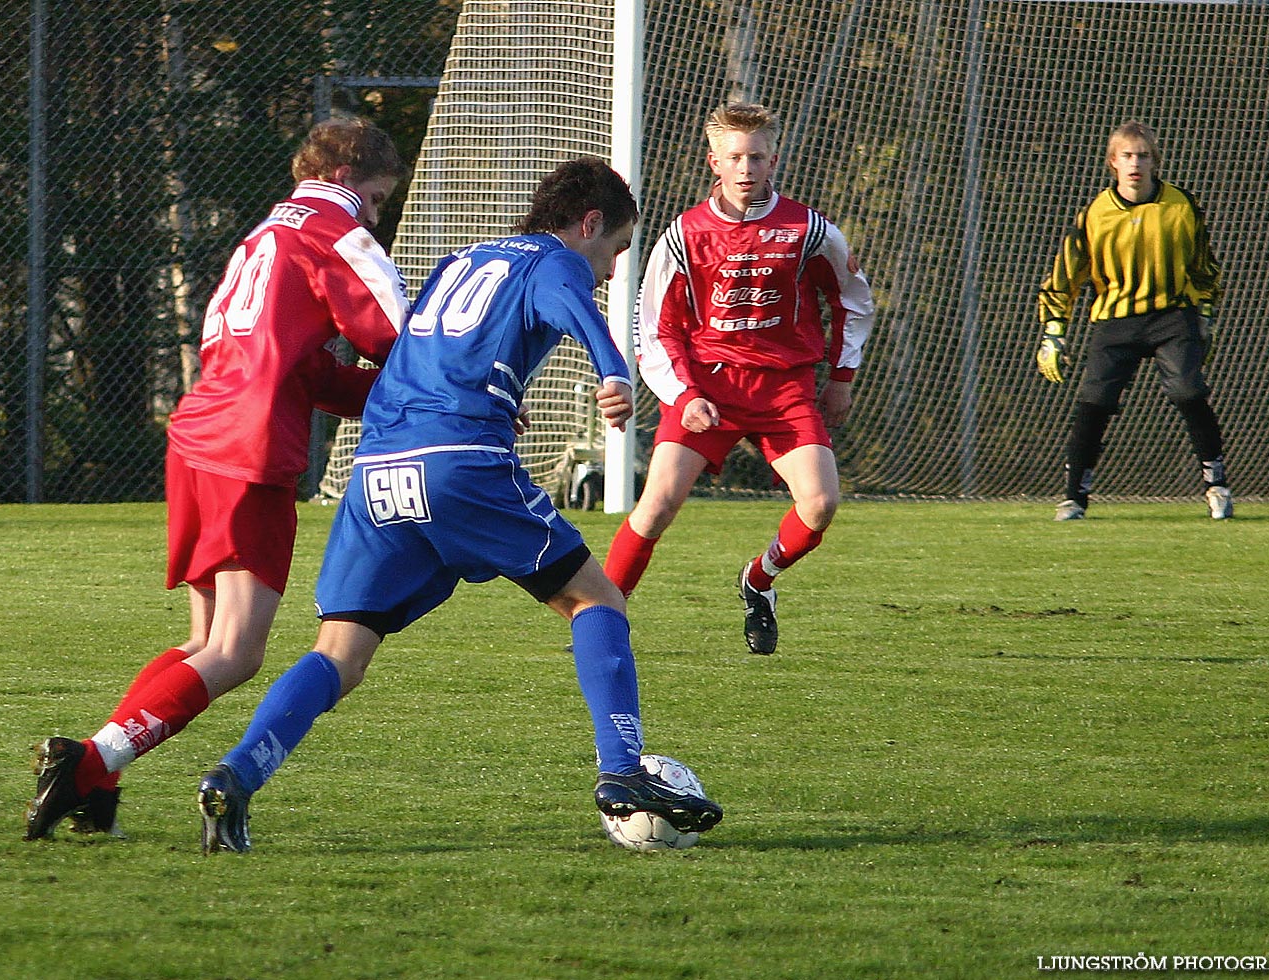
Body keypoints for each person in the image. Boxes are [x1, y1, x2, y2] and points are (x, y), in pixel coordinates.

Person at [195, 158, 723, 854]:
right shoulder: (554, 258)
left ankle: (236, 776)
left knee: (341, 653)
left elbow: (417, 352)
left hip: (379, 467)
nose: (609, 270)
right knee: (595, 600)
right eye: (616, 251)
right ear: (589, 224)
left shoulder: (459, 260)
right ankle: (621, 772)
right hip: (459, 464)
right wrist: (614, 373)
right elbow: (580, 308)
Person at [24, 116, 411, 840]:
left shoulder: (262, 235)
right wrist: (462, 397)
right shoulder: (336, 229)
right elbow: (400, 335)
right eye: (379, 198)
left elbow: (305, 367)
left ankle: (97, 777)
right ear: (343, 179)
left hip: (199, 433)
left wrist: (380, 392)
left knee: (205, 641)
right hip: (250, 447)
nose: (377, 214)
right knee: (238, 651)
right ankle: (88, 759)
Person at [602, 102, 874, 656]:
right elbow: (656, 326)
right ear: (713, 162)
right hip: (708, 389)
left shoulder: (808, 229)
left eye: (756, 156)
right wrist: (684, 394)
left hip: (784, 389)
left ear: (775, 159)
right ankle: (602, 618)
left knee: (820, 505)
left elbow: (853, 299)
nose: (746, 167)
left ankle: (759, 579)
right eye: (735, 157)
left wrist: (841, 376)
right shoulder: (684, 234)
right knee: (655, 507)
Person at [1037, 119, 1231, 521]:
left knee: (1188, 391)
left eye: (1143, 155)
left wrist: (1206, 318)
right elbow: (1066, 274)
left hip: (1172, 316)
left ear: (1155, 161)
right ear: (1113, 162)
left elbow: (1203, 267)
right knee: (1095, 402)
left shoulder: (1181, 205)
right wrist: (1053, 331)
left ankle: (1216, 486)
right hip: (1115, 322)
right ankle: (1075, 497)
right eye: (1127, 155)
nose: (1135, 163)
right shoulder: (1094, 214)